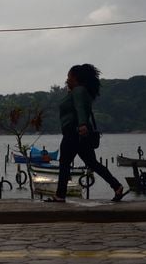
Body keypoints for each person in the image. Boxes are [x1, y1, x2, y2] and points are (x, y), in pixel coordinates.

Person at [45, 64, 129, 202]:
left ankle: (60, 195)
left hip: (74, 132)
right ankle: (116, 186)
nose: (67, 79)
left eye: (69, 77)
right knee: (92, 163)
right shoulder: (78, 91)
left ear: (76, 78)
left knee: (64, 162)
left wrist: (83, 124)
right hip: (80, 133)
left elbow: (80, 109)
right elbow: (77, 107)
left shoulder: (78, 90)